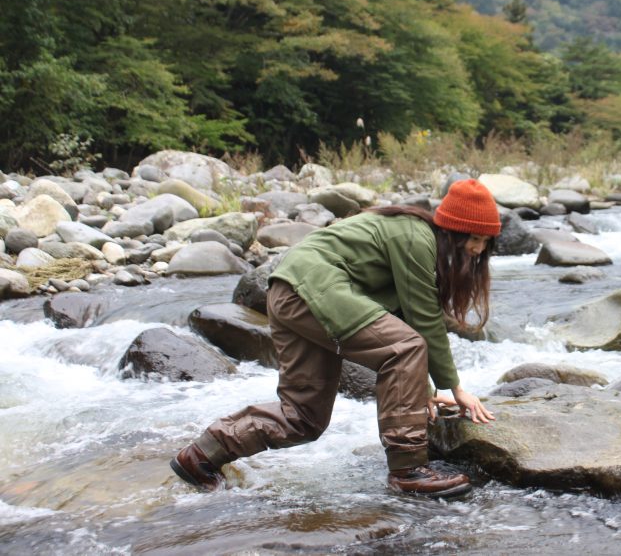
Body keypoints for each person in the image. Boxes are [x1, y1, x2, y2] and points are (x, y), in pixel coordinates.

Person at [170, 179, 499, 498]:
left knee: (302, 418)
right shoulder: (416, 237)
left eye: (485, 243)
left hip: (289, 293)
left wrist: (423, 391)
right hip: (312, 289)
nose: (477, 249)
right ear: (453, 228)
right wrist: (455, 387)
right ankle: (408, 470)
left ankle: (202, 454)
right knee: (406, 347)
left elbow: (398, 318)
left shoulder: (418, 238)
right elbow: (423, 321)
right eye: (473, 238)